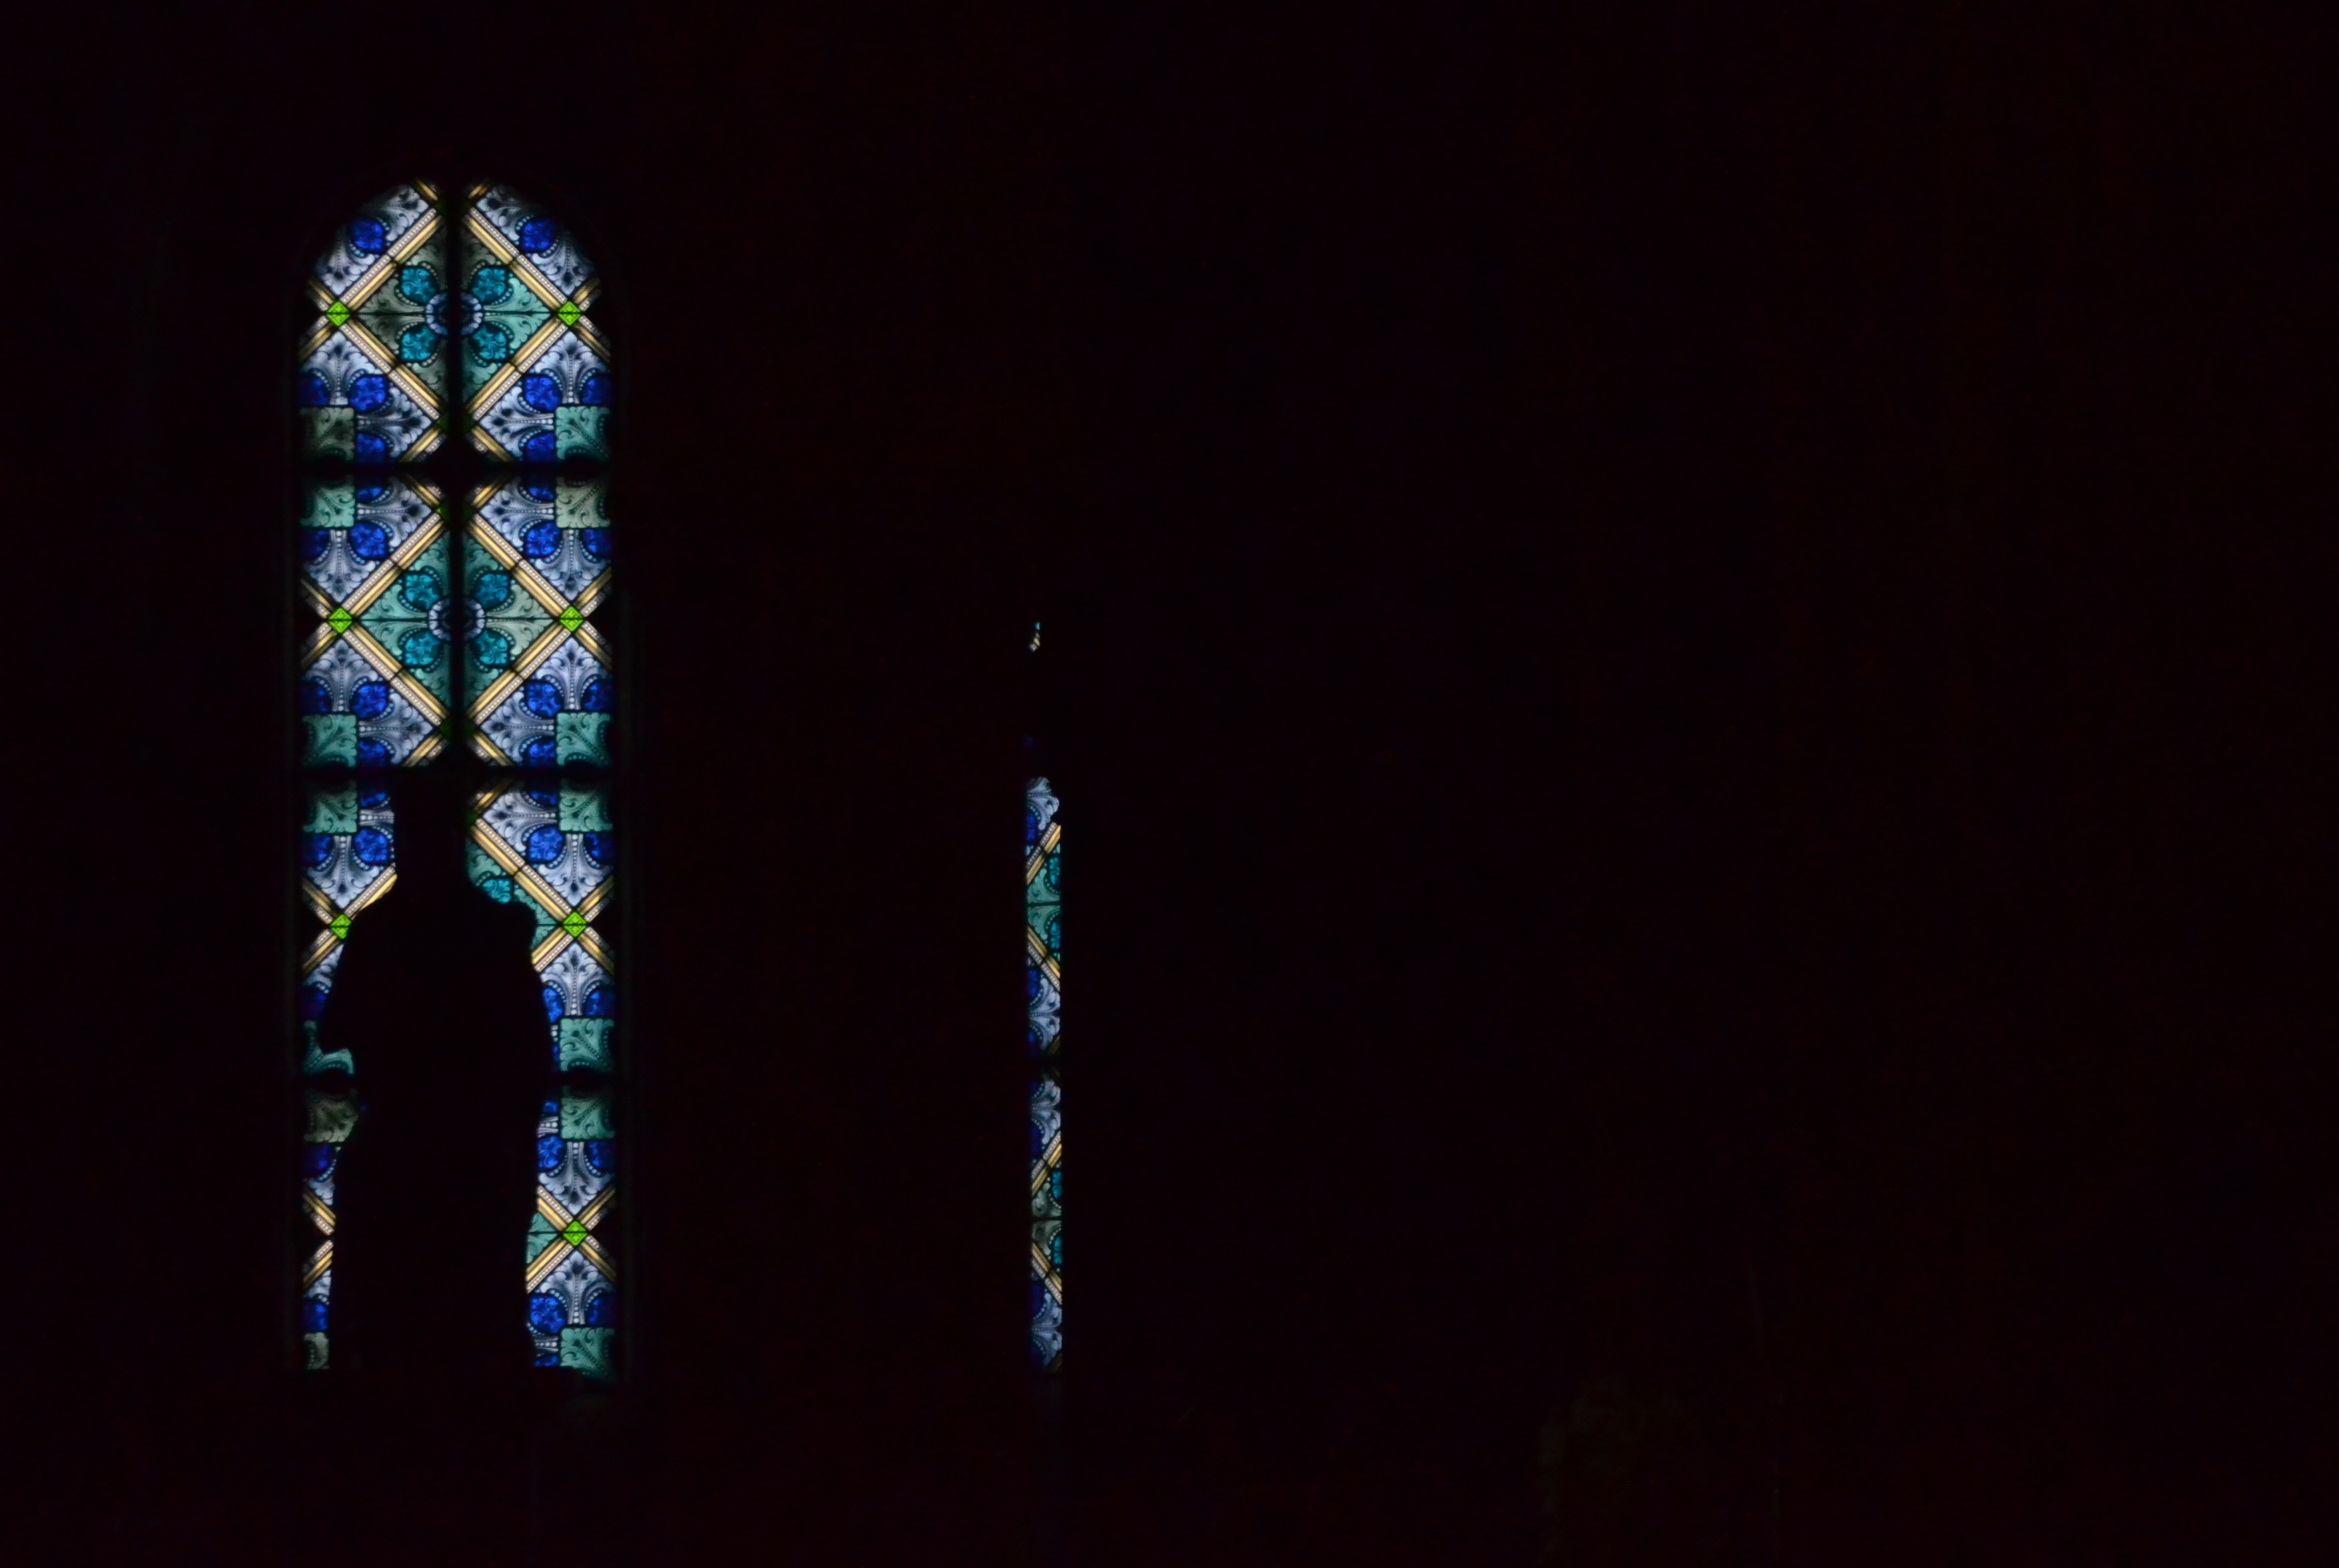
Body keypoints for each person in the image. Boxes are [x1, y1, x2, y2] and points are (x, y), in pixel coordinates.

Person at [323, 769, 550, 1379]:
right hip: (439, 1151)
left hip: (451, 1153)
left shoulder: (397, 932)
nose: (416, 850)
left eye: (426, 835)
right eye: (409, 836)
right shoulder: (474, 932)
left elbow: (527, 1058)